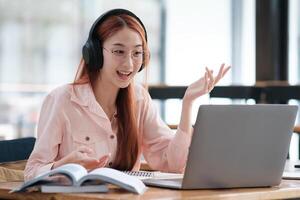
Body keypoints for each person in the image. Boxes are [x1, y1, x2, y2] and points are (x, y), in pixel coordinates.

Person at [24, 8, 230, 181]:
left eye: (137, 53)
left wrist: (188, 103)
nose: (129, 64)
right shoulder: (62, 100)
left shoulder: (139, 100)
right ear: (94, 53)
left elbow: (172, 164)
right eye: (118, 51)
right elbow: (32, 172)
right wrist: (63, 165)